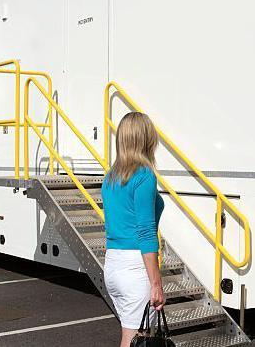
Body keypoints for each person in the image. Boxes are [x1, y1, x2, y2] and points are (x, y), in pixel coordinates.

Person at [102, 112, 165, 347]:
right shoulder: (144, 176)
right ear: (146, 139)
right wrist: (157, 283)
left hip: (113, 264)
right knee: (134, 340)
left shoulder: (110, 178)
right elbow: (146, 233)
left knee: (131, 336)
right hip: (135, 268)